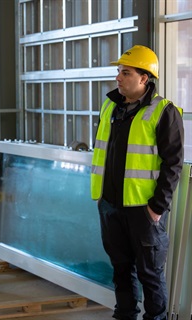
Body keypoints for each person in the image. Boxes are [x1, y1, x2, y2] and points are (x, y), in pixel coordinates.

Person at [91, 45, 184, 320]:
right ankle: (125, 315)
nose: (118, 77)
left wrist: (157, 207)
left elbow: (173, 164)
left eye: (125, 72)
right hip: (110, 206)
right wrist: (103, 199)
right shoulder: (110, 106)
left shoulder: (164, 112)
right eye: (118, 71)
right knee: (121, 270)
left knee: (150, 275)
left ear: (145, 78)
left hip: (143, 210)